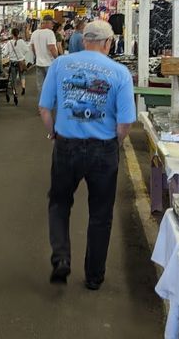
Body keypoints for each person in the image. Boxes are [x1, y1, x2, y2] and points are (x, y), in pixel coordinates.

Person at [38, 20, 136, 291]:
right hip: (103, 148)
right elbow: (126, 122)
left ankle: (61, 258)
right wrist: (114, 141)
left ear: (83, 41)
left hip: (66, 145)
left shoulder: (60, 65)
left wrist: (53, 134)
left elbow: (45, 109)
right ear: (108, 43)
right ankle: (94, 276)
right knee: (101, 214)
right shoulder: (120, 72)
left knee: (59, 204)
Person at [30, 15, 58, 95]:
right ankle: (50, 104)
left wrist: (38, 56)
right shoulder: (49, 33)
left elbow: (33, 47)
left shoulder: (34, 33)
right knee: (51, 85)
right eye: (52, 23)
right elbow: (51, 47)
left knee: (40, 86)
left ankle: (42, 105)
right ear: (46, 23)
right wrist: (57, 58)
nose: (53, 26)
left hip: (39, 63)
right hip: (49, 63)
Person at [3, 28, 29, 105]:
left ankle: (15, 94)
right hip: (21, 62)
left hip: (13, 63)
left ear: (12, 34)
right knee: (22, 75)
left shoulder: (9, 43)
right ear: (18, 34)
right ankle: (23, 87)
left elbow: (5, 53)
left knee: (13, 80)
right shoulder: (22, 42)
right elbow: (27, 50)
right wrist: (21, 55)